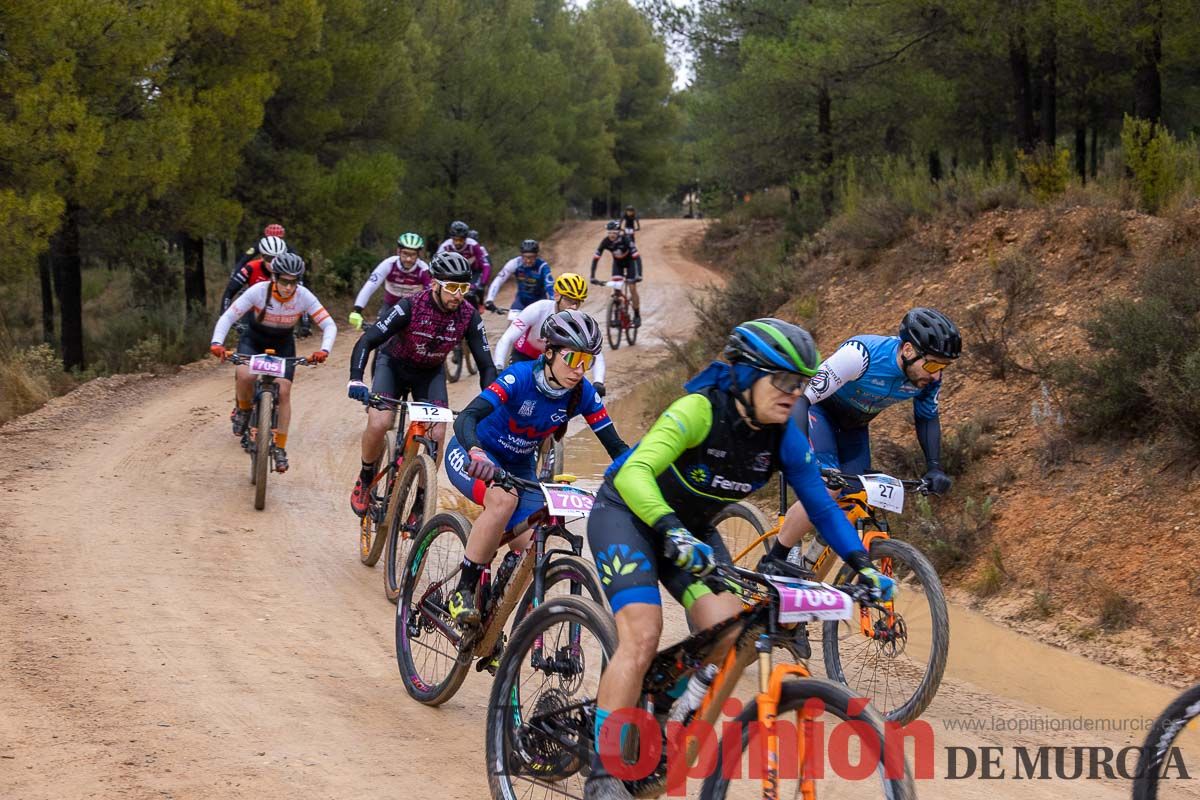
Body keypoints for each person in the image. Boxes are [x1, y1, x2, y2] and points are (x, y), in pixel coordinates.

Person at [581, 318, 896, 800]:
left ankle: (659, 703)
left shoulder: (784, 434)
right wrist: (670, 530)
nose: (795, 393)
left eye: (802, 383)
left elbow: (819, 504)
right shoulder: (699, 409)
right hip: (628, 514)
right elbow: (635, 473)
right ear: (748, 375)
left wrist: (863, 565)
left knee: (729, 626)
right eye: (785, 380)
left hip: (692, 531)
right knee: (642, 634)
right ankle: (603, 771)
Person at [444, 310, 628, 626]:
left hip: (519, 466)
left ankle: (493, 620)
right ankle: (462, 591)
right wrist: (476, 452)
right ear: (550, 352)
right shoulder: (520, 377)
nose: (580, 369)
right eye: (572, 359)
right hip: (474, 455)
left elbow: (616, 448)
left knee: (531, 543)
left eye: (587, 361)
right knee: (503, 501)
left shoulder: (582, 393)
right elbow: (467, 417)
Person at [763, 307, 962, 568]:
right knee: (828, 487)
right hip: (818, 412)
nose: (937, 375)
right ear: (909, 350)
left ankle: (809, 566)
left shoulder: (928, 379)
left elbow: (926, 418)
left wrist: (934, 467)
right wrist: (802, 453)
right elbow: (802, 398)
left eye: (943, 366)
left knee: (858, 497)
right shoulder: (861, 355)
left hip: (855, 427)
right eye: (934, 364)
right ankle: (776, 558)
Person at [346, 251, 497, 516]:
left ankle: (422, 498)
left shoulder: (468, 316)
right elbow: (368, 340)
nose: (458, 295)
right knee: (380, 422)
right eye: (451, 288)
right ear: (435, 284)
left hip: (429, 373)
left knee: (437, 433)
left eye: (463, 288)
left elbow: (486, 364)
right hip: (392, 366)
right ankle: (366, 476)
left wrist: (494, 402)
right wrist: (356, 380)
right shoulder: (410, 305)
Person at [209, 253, 336, 474]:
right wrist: (217, 343)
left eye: (294, 282)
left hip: (283, 345)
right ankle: (244, 411)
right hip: (253, 340)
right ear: (274, 277)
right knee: (245, 374)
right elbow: (228, 316)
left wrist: (324, 350)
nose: (289, 287)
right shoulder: (258, 291)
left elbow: (329, 325)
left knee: (284, 391)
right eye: (284, 281)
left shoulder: (304, 296)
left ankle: (280, 447)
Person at [493, 273, 607, 396]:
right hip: (524, 356)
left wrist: (598, 382)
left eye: (578, 302)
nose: (573, 307)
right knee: (515, 392)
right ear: (557, 295)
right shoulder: (538, 309)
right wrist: (498, 366)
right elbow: (507, 338)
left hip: (553, 362)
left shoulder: (579, 321)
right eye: (569, 300)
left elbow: (595, 352)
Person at [348, 232, 430, 330]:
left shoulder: (423, 269)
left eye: (412, 255)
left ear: (418, 255)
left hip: (414, 308)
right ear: (398, 251)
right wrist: (357, 310)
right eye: (405, 253)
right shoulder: (389, 264)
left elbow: (431, 294)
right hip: (390, 306)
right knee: (378, 336)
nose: (408, 259)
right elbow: (370, 286)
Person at [590, 220, 642, 327]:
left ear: (618, 233)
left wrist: (639, 274)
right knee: (616, 290)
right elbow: (595, 258)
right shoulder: (606, 241)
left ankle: (637, 315)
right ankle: (617, 316)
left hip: (630, 263)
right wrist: (592, 276)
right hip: (617, 264)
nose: (611, 235)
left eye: (614, 233)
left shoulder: (626, 240)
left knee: (632, 288)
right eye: (609, 233)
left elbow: (637, 257)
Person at [483, 239, 554, 315]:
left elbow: (549, 286)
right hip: (521, 301)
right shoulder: (515, 263)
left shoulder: (542, 266)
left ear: (536, 256)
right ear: (521, 255)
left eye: (531, 257)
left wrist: (553, 302)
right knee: (512, 323)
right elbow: (499, 280)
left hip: (539, 302)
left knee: (540, 325)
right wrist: (490, 299)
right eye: (525, 257)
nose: (528, 260)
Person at [221, 235, 289, 313]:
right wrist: (223, 315)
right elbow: (229, 292)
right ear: (262, 257)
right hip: (252, 314)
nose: (273, 263)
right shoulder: (251, 268)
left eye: (278, 259)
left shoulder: (288, 271)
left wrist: (305, 323)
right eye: (269, 258)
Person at [436, 220, 492, 296]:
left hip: (472, 273)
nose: (458, 242)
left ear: (466, 238)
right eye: (455, 239)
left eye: (461, 240)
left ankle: (477, 305)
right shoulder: (445, 246)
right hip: (453, 275)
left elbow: (486, 266)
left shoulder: (473, 245)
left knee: (471, 294)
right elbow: (436, 266)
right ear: (451, 238)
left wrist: (482, 284)